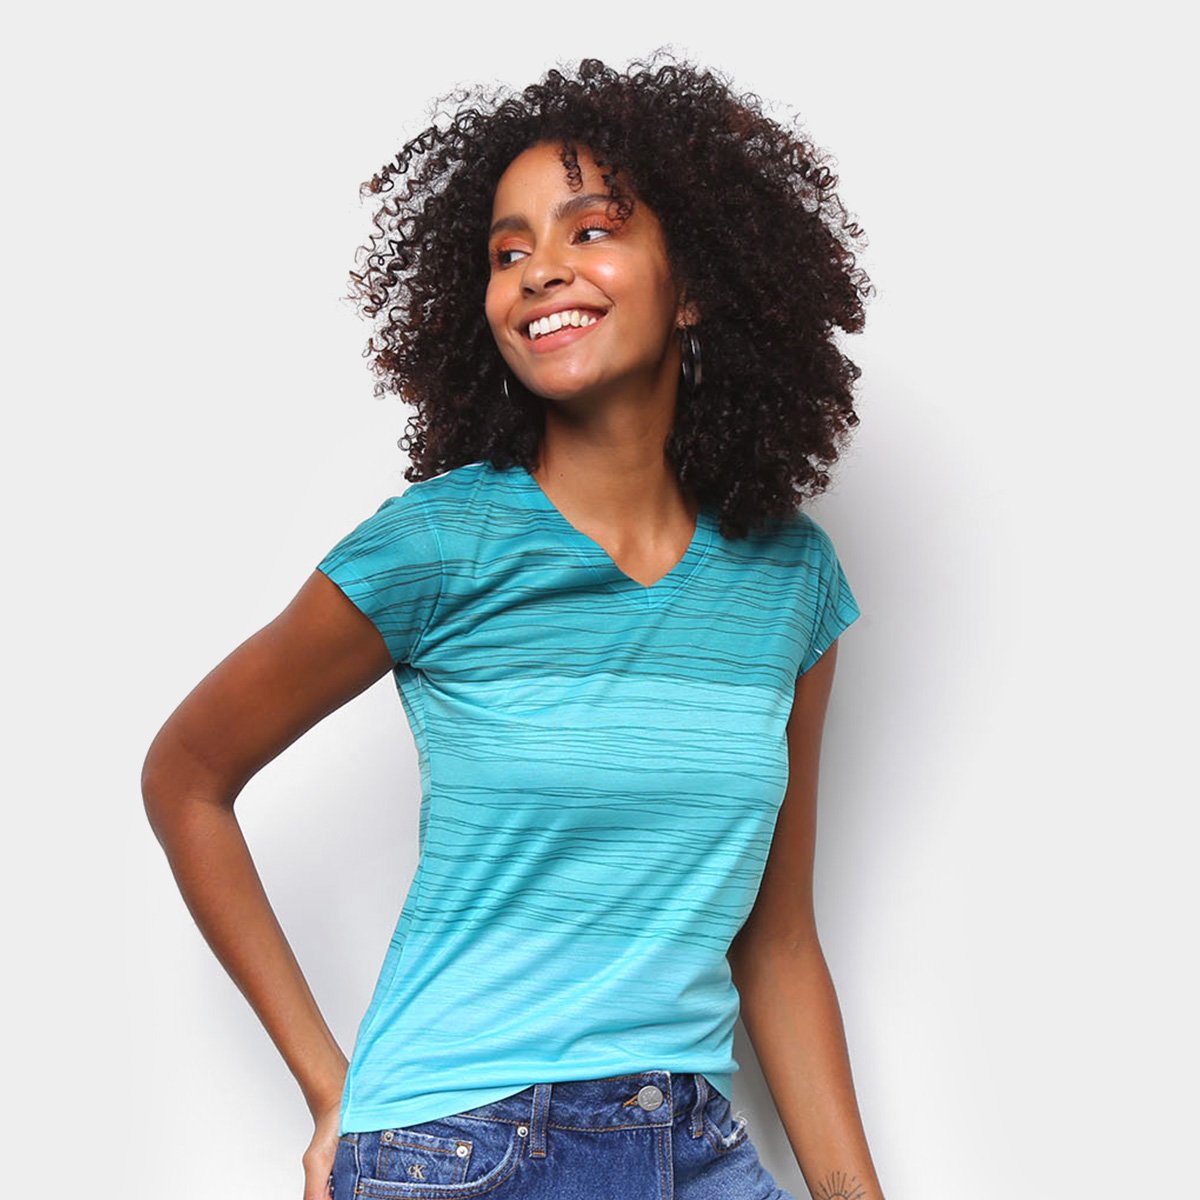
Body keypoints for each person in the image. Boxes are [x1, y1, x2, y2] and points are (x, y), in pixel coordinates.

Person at [142, 53, 881, 1200]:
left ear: (692, 283)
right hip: (463, 1149)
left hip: (693, 1145)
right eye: (507, 251)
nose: (540, 270)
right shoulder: (437, 549)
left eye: (591, 231)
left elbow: (777, 942)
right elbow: (186, 776)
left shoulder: (790, 583)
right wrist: (334, 1091)